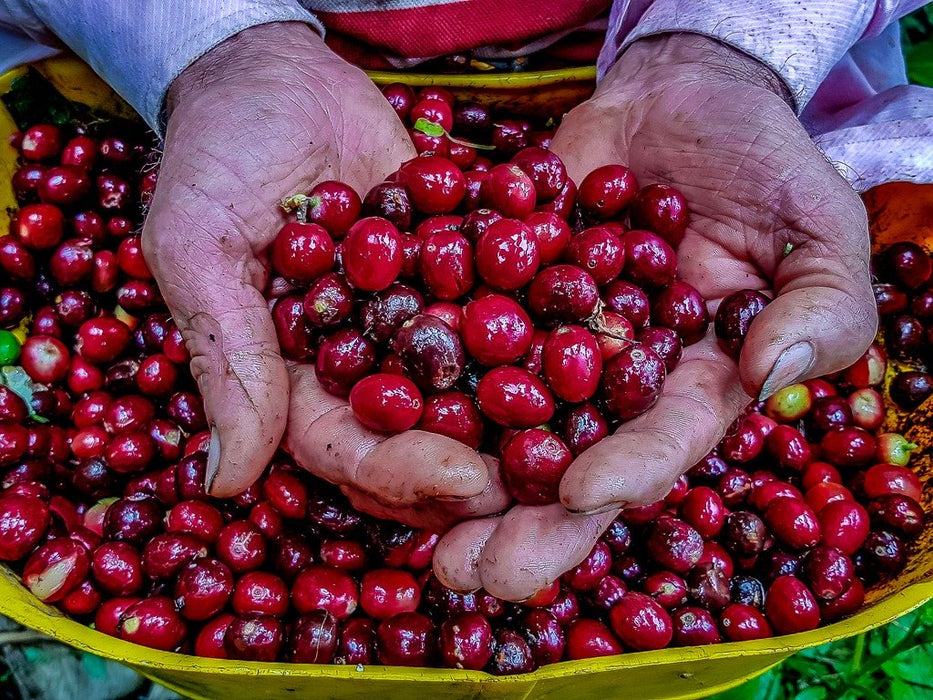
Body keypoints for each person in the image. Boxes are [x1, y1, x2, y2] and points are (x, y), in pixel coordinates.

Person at [0, 1, 930, 602]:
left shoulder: (555, 291)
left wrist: (732, 43)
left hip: (640, 62)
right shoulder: (420, 296)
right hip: (188, 57)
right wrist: (213, 48)